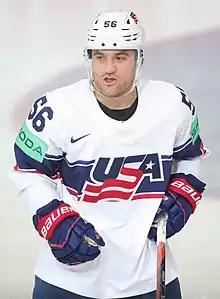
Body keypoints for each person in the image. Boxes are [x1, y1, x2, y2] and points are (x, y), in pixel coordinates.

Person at [10, 9, 209, 299]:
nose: (108, 68)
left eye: (120, 57)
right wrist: (52, 216)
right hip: (67, 282)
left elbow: (190, 155)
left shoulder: (173, 105)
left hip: (148, 278)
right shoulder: (56, 110)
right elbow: (27, 170)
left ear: (139, 58)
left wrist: (184, 190)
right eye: (99, 56)